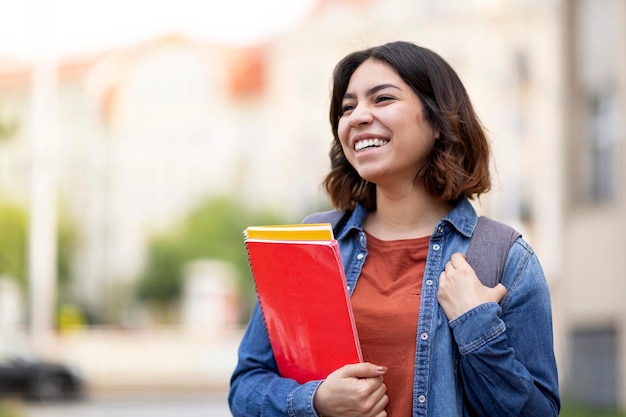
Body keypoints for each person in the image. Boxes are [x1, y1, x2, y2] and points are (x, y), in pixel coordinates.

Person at [228, 40, 560, 417]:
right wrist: (315, 401)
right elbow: (246, 387)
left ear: (438, 121)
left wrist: (476, 325)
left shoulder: (505, 258)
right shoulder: (310, 244)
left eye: (382, 99)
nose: (357, 117)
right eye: (348, 107)